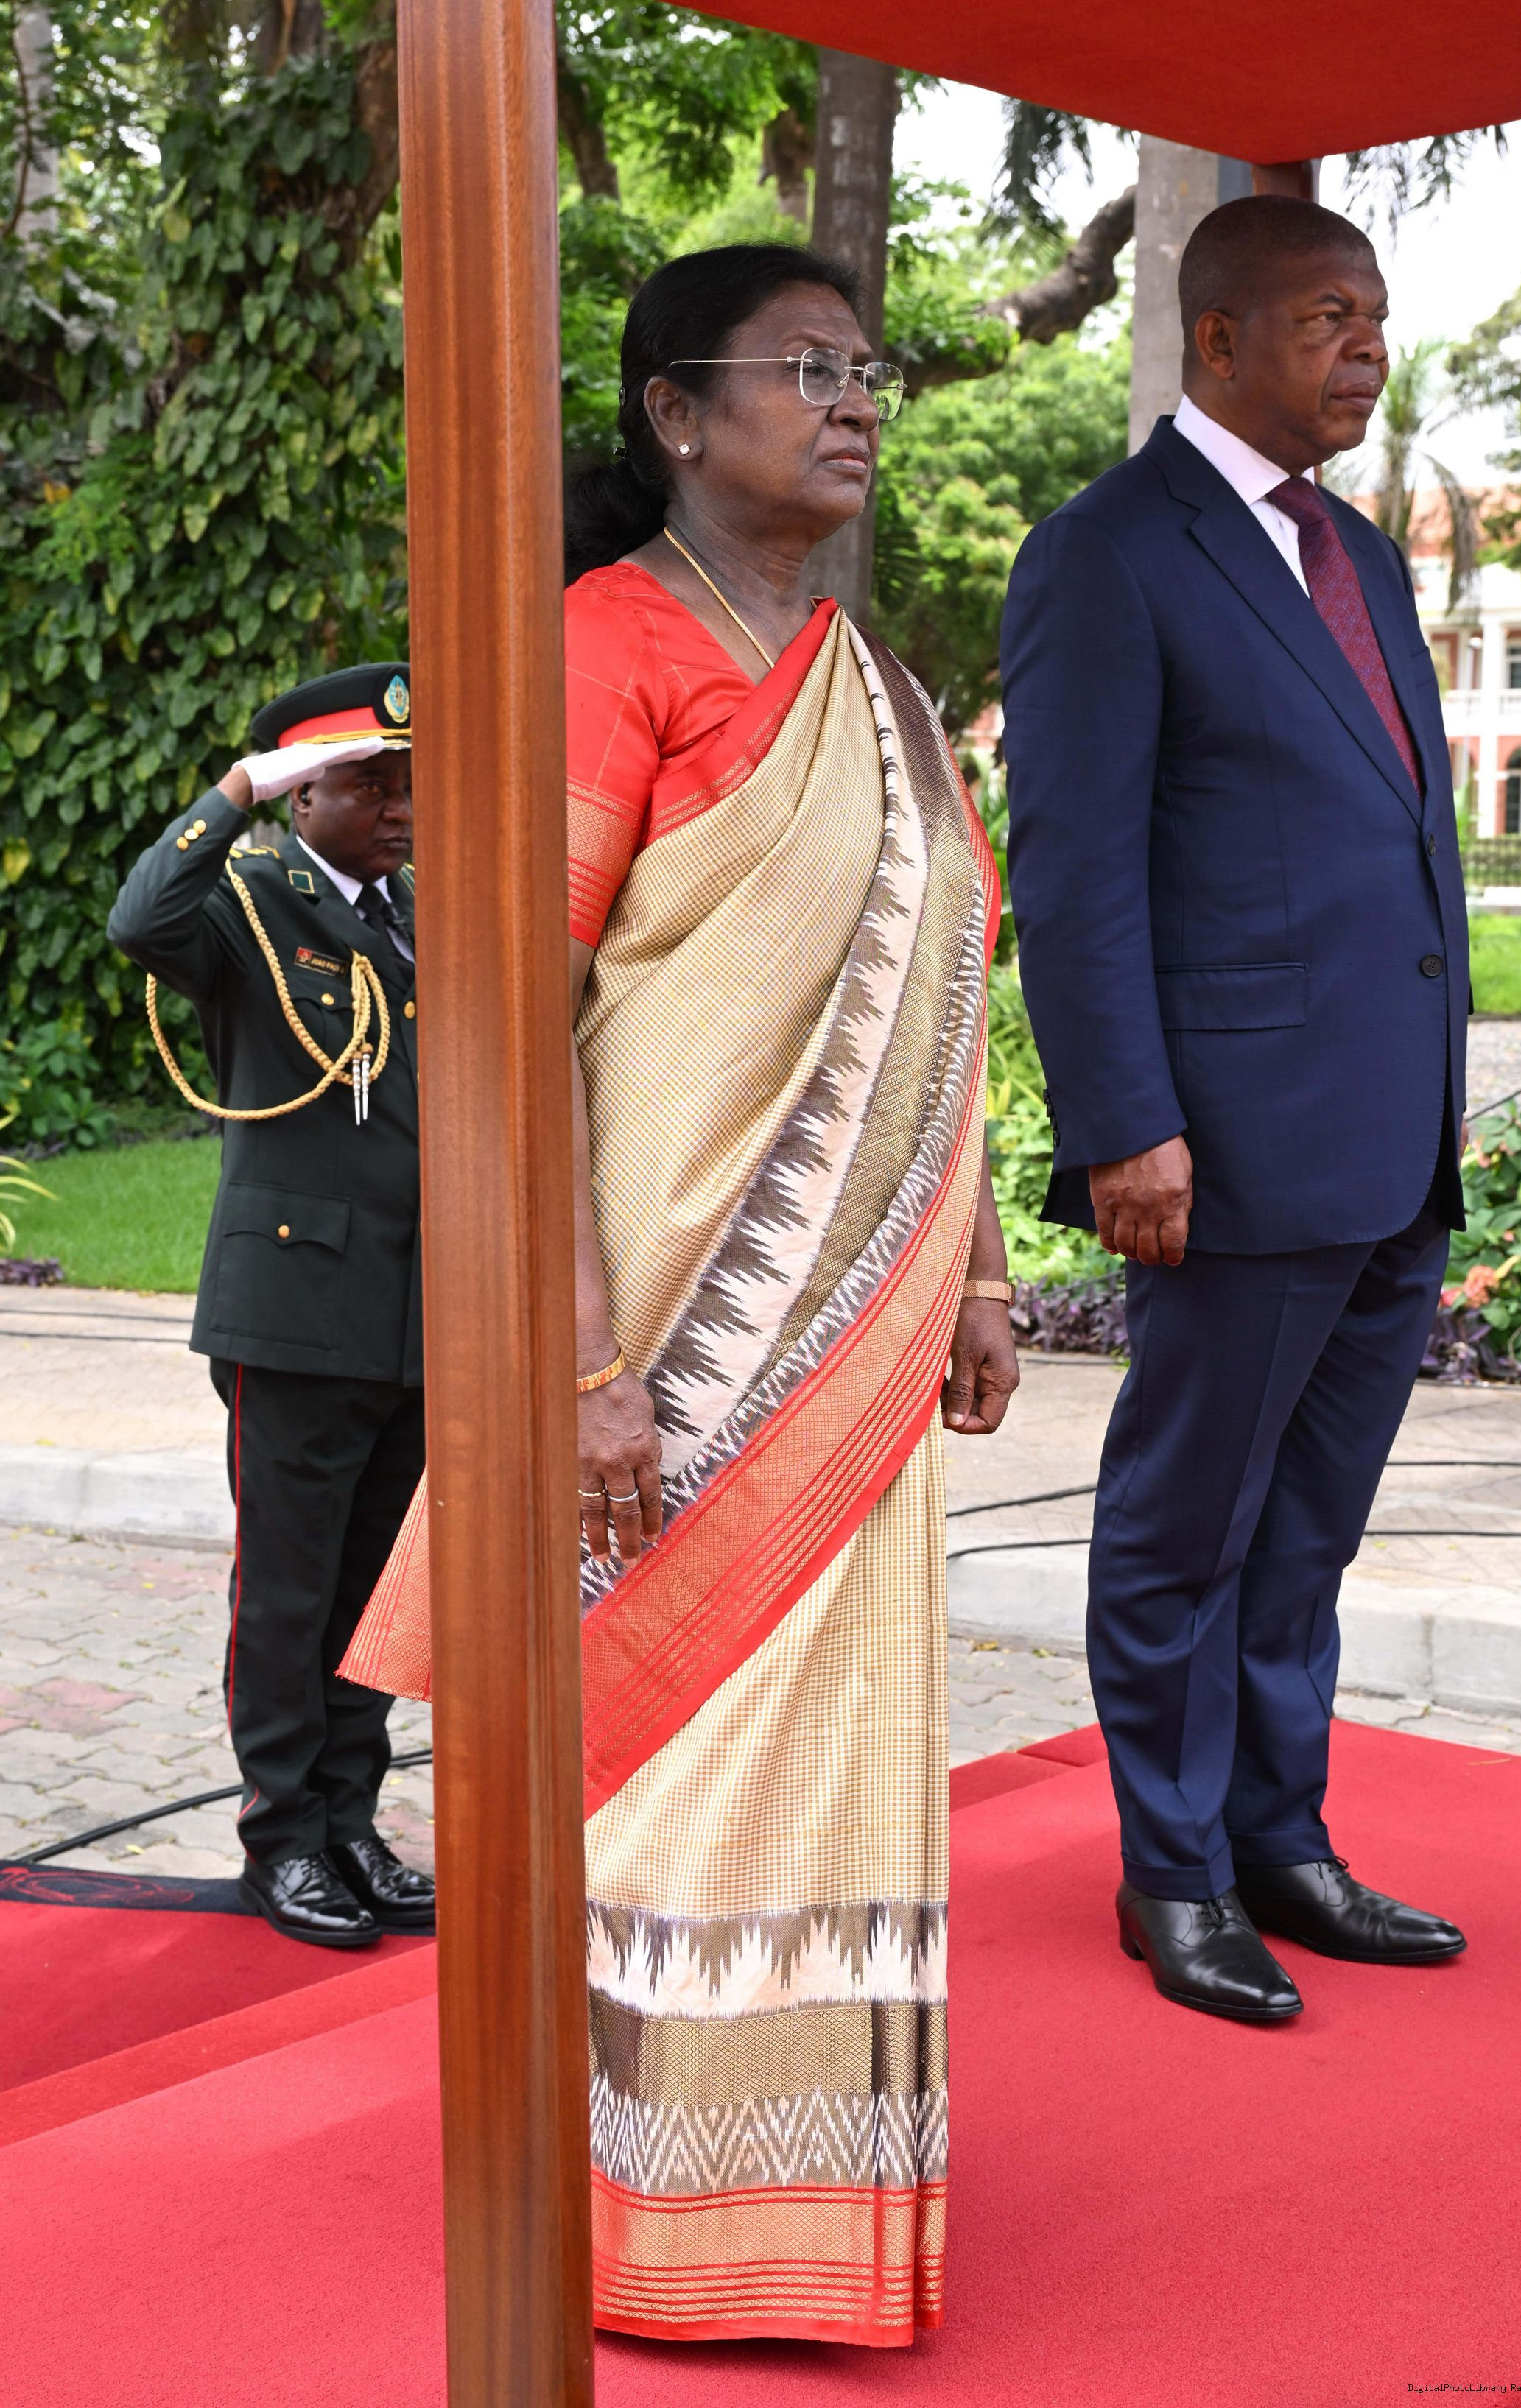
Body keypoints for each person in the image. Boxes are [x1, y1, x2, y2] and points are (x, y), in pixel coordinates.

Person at [342, 244, 1019, 2342]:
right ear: (673, 412)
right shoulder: (598, 646)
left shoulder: (876, 686)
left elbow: (940, 993)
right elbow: (508, 1024)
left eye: (867, 369)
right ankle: (644, 2208)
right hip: (661, 1334)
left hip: (858, 1330)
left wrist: (982, 1267)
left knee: (836, 1729)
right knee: (677, 1738)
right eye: (805, 368)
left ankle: (811, 2187)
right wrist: (583, 1364)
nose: (854, 401)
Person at [1000, 197, 1469, 2024]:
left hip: (1389, 1142)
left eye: (1375, 318)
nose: (1367, 351)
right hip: (1230, 1146)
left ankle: (1280, 1840)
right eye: (1329, 317)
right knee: (1184, 1528)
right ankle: (1175, 1873)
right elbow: (1077, 875)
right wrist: (1126, 1124)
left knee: (1309, 1530)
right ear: (1215, 339)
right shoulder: (1107, 554)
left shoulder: (1362, 556)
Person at [108, 664, 435, 1950]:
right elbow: (141, 921)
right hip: (297, 1309)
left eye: (409, 782)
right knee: (290, 1595)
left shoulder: (422, 912)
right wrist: (240, 789)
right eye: (371, 783)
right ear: (306, 795)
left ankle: (351, 1822)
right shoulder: (250, 900)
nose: (401, 807)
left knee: (375, 1594)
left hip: (415, 1311)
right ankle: (282, 1837)